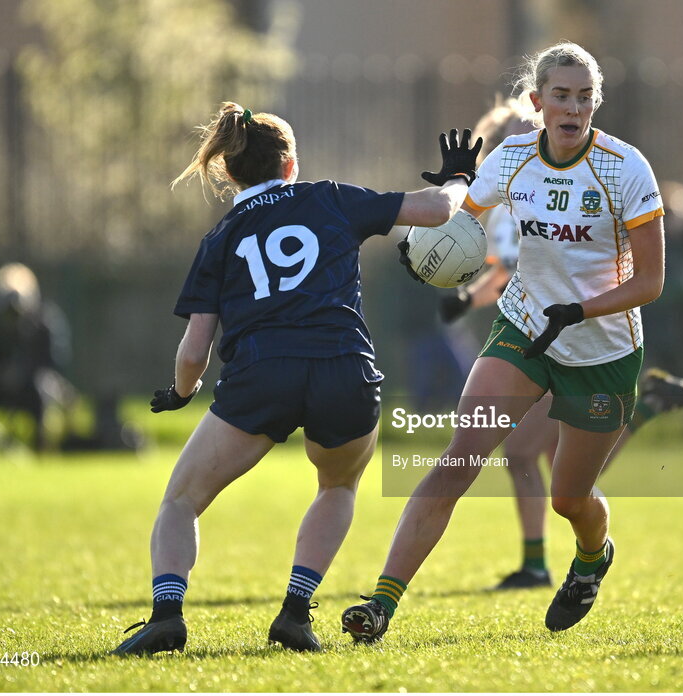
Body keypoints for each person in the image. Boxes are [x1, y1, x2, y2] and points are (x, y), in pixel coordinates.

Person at [111, 102, 483, 655]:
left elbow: (194, 352)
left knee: (181, 500)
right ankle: (293, 611)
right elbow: (435, 211)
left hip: (263, 372)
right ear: (290, 166)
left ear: (229, 172)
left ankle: (167, 614)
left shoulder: (220, 237)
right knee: (337, 486)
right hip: (345, 369)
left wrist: (181, 394)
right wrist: (459, 178)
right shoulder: (328, 197)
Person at [342, 42, 666, 641]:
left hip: (603, 350)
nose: (573, 108)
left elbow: (651, 282)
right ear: (538, 102)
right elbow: (461, 224)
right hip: (523, 329)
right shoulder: (515, 156)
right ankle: (381, 605)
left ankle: (593, 557)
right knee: (459, 460)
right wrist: (434, 229)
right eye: (561, 97)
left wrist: (581, 310)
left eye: (584, 97)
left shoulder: (627, 169)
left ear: (596, 101)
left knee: (570, 499)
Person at [439, 104, 683, 590]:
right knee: (543, 457)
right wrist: (467, 296)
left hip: (576, 342)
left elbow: (535, 267)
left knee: (533, 456)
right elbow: (506, 270)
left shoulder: (566, 185)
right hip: (541, 335)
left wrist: (472, 293)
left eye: (519, 135)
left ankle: (538, 562)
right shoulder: (511, 200)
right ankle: (539, 559)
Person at [0, 262, 74, 454]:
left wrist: (24, 373)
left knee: (42, 391)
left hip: (30, 386)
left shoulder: (45, 320)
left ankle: (41, 447)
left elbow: (56, 359)